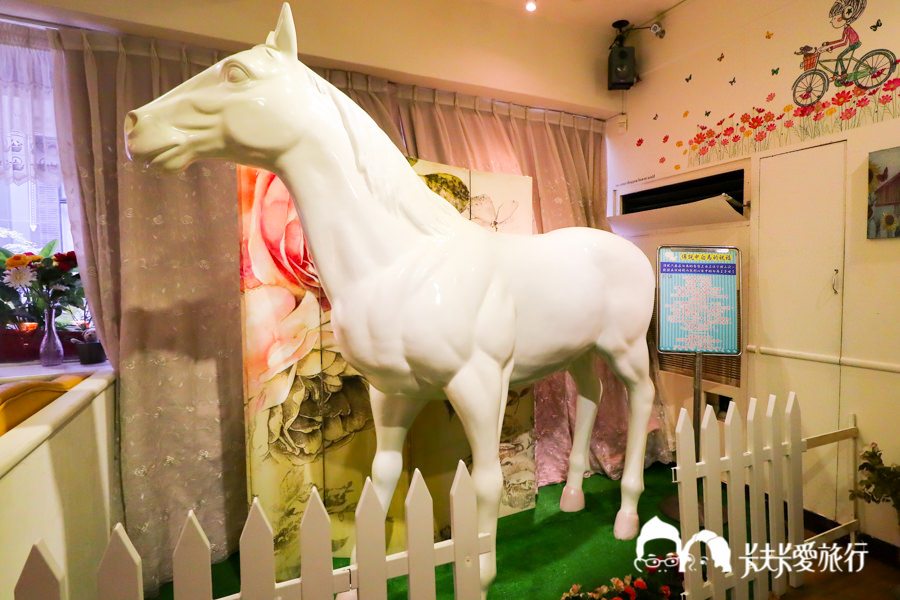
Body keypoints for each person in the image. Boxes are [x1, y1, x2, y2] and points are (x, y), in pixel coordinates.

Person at [821, 0, 867, 76]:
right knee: (839, 57)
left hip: (855, 44)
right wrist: (829, 44)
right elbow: (842, 40)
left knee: (840, 57)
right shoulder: (846, 29)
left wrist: (832, 47)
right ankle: (837, 73)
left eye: (834, 18)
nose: (831, 21)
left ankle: (842, 73)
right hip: (853, 44)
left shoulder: (848, 29)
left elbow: (844, 43)